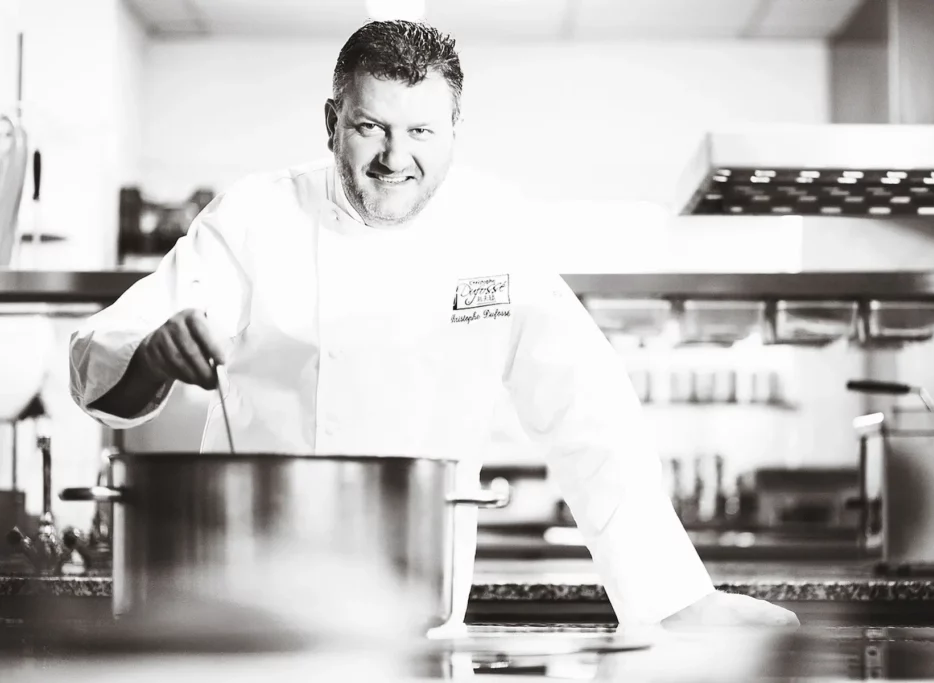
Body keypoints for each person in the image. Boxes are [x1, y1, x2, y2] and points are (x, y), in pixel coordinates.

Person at [69, 19, 798, 632]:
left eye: (421, 129)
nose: (396, 157)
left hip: (420, 625)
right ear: (331, 123)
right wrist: (158, 353)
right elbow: (102, 361)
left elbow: (586, 410)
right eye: (370, 127)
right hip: (253, 609)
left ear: (454, 128)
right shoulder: (254, 219)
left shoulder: (493, 229)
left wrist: (674, 600)